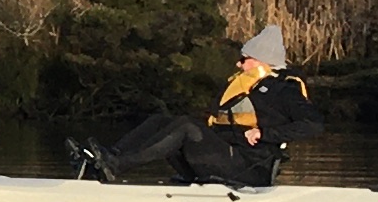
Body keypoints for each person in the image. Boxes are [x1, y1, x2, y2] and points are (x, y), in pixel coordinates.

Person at [82, 25, 322, 188]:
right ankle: (108, 157)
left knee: (186, 127)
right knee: (161, 119)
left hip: (248, 170)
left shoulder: (284, 89)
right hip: (220, 159)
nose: (239, 64)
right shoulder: (245, 85)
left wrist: (265, 133)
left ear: (261, 61)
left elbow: (313, 125)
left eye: (244, 59)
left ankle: (117, 166)